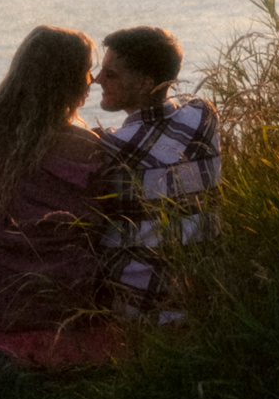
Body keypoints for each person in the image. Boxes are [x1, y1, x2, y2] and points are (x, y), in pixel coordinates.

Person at [0, 25, 109, 332]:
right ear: (66, 78)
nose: (92, 79)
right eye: (86, 70)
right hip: (62, 301)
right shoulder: (86, 145)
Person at [92, 26, 221, 322]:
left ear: (144, 84)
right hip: (204, 291)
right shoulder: (204, 117)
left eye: (111, 74)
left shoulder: (109, 147)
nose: (98, 79)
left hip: (137, 307)